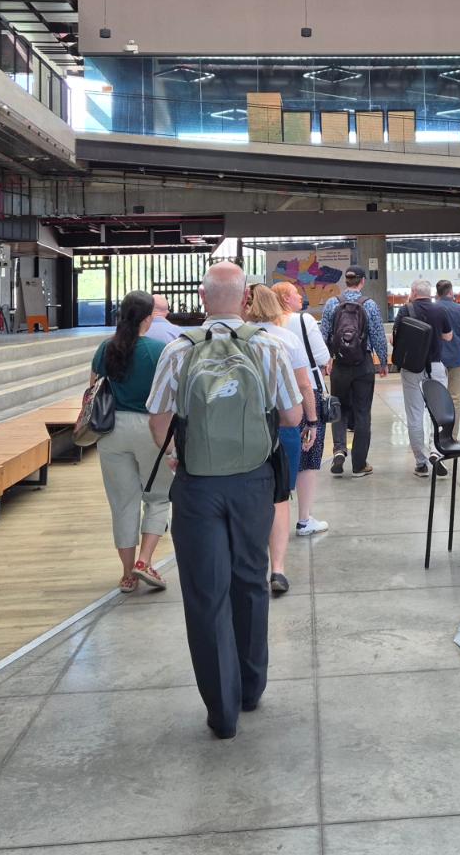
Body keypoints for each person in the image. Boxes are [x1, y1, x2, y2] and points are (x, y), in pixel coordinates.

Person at [147, 261, 302, 740]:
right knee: (250, 580)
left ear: (202, 297)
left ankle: (222, 711)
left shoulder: (178, 348)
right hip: (253, 481)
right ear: (245, 299)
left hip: (198, 484)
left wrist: (174, 455)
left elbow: (158, 419)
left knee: (205, 592)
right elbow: (293, 416)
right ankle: (251, 689)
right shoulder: (269, 345)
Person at [88, 291, 171, 593]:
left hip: (112, 430)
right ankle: (144, 561)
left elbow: (92, 388)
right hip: (151, 427)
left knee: (123, 503)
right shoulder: (159, 350)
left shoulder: (106, 348)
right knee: (158, 497)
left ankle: (126, 575)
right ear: (149, 317)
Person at [243, 284, 319, 597]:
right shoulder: (286, 339)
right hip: (284, 423)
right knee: (279, 496)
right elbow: (304, 385)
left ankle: (250, 562)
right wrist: (311, 420)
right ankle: (277, 568)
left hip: (244, 426)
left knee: (248, 494)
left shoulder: (239, 339)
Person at [319, 265, 388, 478]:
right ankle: (359, 464)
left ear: (346, 281)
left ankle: (339, 450)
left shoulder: (332, 303)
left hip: (339, 365)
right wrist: (383, 361)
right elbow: (378, 335)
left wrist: (325, 361)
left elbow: (324, 334)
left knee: (339, 408)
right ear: (362, 281)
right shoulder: (370, 305)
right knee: (362, 412)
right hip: (363, 365)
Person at [275, 281, 329, 537]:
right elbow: (322, 357)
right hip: (307, 393)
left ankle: (274, 518)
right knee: (309, 457)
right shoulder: (303, 321)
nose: (300, 297)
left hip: (276, 397)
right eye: (296, 294)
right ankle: (304, 519)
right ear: (286, 298)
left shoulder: (264, 326)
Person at [394, 279, 454, 477]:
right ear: (430, 293)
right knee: (437, 413)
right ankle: (436, 451)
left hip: (412, 368)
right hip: (435, 367)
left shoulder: (405, 310)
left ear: (413, 292)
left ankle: (421, 462)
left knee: (415, 414)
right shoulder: (440, 310)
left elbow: (395, 339)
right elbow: (448, 336)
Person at [435, 279, 460, 434]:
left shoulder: (433, 309)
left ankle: (437, 436)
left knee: (437, 398)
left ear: (437, 293)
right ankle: (452, 436)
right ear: (451, 292)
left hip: (436, 359)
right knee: (455, 398)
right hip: (457, 358)